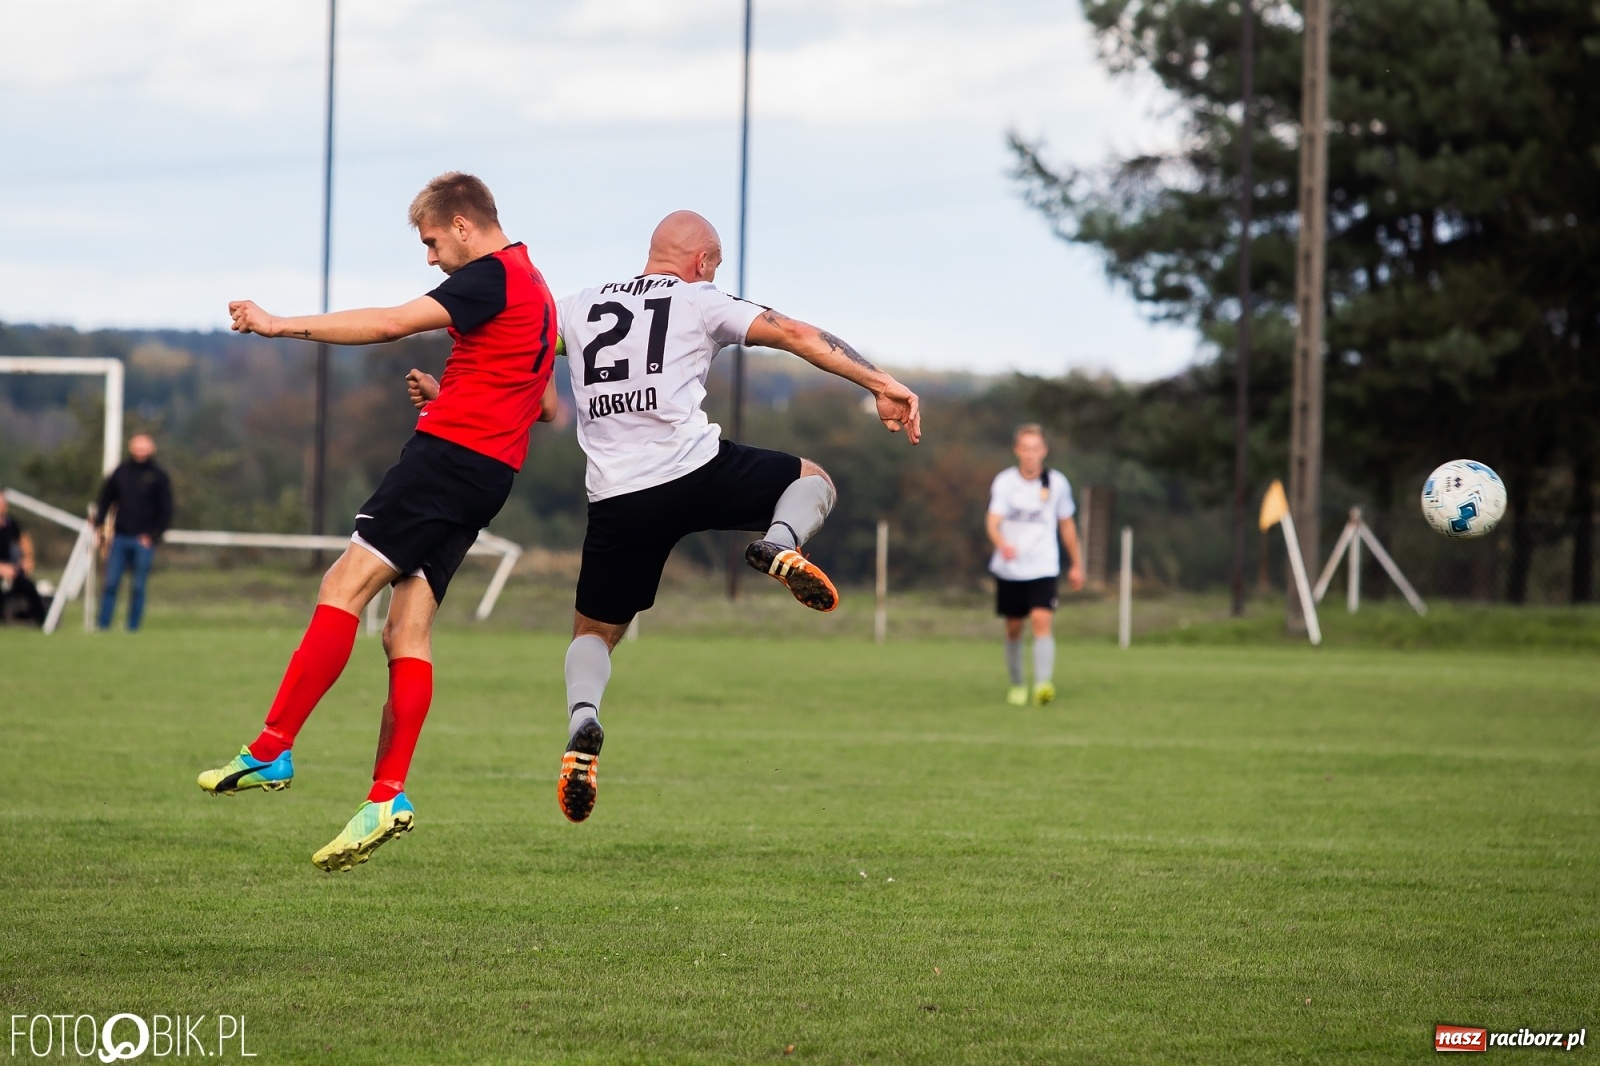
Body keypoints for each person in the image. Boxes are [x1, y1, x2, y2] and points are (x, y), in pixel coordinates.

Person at [196, 172, 560, 872]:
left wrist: (280, 324)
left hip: (446, 460)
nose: (430, 259)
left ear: (462, 223)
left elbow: (392, 323)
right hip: (490, 474)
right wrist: (450, 387)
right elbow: (540, 403)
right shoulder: (537, 290)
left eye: (431, 242)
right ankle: (386, 796)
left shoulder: (489, 276)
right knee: (406, 628)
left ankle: (273, 747)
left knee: (342, 585)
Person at [550, 210, 923, 824]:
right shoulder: (700, 299)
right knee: (812, 478)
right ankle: (779, 541)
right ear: (703, 262)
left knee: (593, 633)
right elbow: (799, 335)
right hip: (696, 471)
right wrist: (879, 382)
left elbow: (514, 353)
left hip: (618, 496)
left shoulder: (578, 306)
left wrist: (447, 395)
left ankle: (584, 718)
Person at [985, 424, 1084, 706]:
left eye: (1035, 449)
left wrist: (1077, 564)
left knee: (1042, 621)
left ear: (1044, 451)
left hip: (1043, 566)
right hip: (1011, 568)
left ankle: (1043, 684)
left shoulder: (1057, 484)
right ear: (1017, 451)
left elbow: (1067, 526)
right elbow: (992, 521)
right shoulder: (1005, 482)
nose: (1030, 455)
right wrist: (1001, 542)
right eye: (1025, 449)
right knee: (1014, 627)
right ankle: (1017, 684)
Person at [94, 433, 174, 631]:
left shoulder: (158, 476)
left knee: (138, 586)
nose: (140, 450)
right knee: (111, 582)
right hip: (119, 537)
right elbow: (105, 500)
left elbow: (166, 510)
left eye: (144, 447)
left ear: (152, 449)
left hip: (143, 540)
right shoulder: (121, 472)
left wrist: (154, 536)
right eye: (137, 446)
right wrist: (99, 525)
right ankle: (103, 626)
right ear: (131, 448)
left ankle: (132, 628)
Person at [0, 494, 46, 625]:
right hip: (3, 569)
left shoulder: (10, 524)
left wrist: (27, 560)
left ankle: (43, 622)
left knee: (27, 585)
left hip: (11, 570)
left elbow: (23, 541)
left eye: (4, 501)